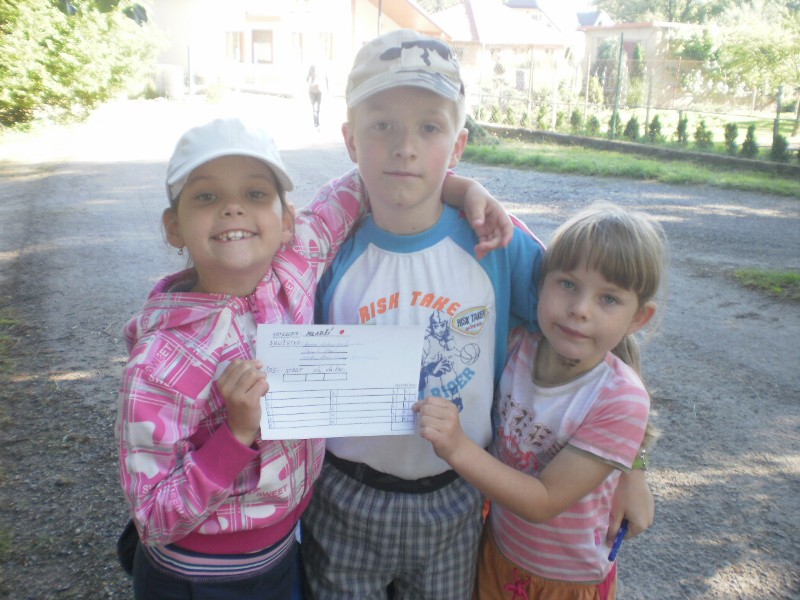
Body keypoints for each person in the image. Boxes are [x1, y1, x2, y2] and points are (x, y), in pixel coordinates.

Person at [115, 116, 510, 599]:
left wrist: (465, 188)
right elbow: (153, 517)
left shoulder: (296, 262)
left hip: (282, 553)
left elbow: (369, 183)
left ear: (287, 221)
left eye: (255, 193)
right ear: (174, 227)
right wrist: (234, 435)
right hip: (198, 576)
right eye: (206, 196)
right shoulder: (158, 363)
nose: (233, 208)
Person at [300, 29, 547, 599]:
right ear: (350, 140)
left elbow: (588, 329)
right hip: (344, 498)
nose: (405, 147)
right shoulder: (326, 252)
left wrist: (630, 464)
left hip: (454, 498)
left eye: (430, 128)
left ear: (457, 147)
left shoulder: (496, 244)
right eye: (382, 124)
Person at [415, 202, 667, 599]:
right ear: (541, 283)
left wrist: (457, 447)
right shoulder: (520, 344)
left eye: (608, 299)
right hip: (496, 551)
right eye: (567, 283)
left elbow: (544, 500)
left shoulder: (621, 399)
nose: (579, 310)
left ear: (638, 318)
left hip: (564, 582)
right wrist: (464, 189)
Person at [306, 63, 328, 128]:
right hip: (316, 90)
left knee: (316, 107)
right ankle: (317, 122)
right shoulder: (320, 67)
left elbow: (307, 79)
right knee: (316, 107)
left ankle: (316, 122)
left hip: (315, 90)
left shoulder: (313, 67)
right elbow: (326, 79)